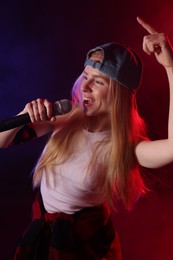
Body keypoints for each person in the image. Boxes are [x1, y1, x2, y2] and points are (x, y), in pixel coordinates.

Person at [0, 16, 173, 260]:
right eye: (85, 75)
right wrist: (24, 116)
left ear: (118, 95)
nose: (85, 86)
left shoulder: (124, 146)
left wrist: (170, 67)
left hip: (84, 246)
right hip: (42, 235)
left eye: (98, 81)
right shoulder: (66, 115)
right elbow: (1, 142)